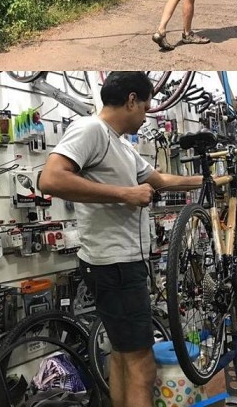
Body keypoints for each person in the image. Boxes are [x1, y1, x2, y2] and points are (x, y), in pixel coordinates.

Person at [40, 72, 204, 407]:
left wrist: (209, 179)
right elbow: (51, 179)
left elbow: (159, 180)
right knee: (142, 364)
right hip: (115, 264)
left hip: (116, 264)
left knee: (121, 354)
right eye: (145, 105)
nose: (146, 114)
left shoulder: (122, 146)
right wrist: (124, 194)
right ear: (131, 100)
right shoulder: (91, 130)